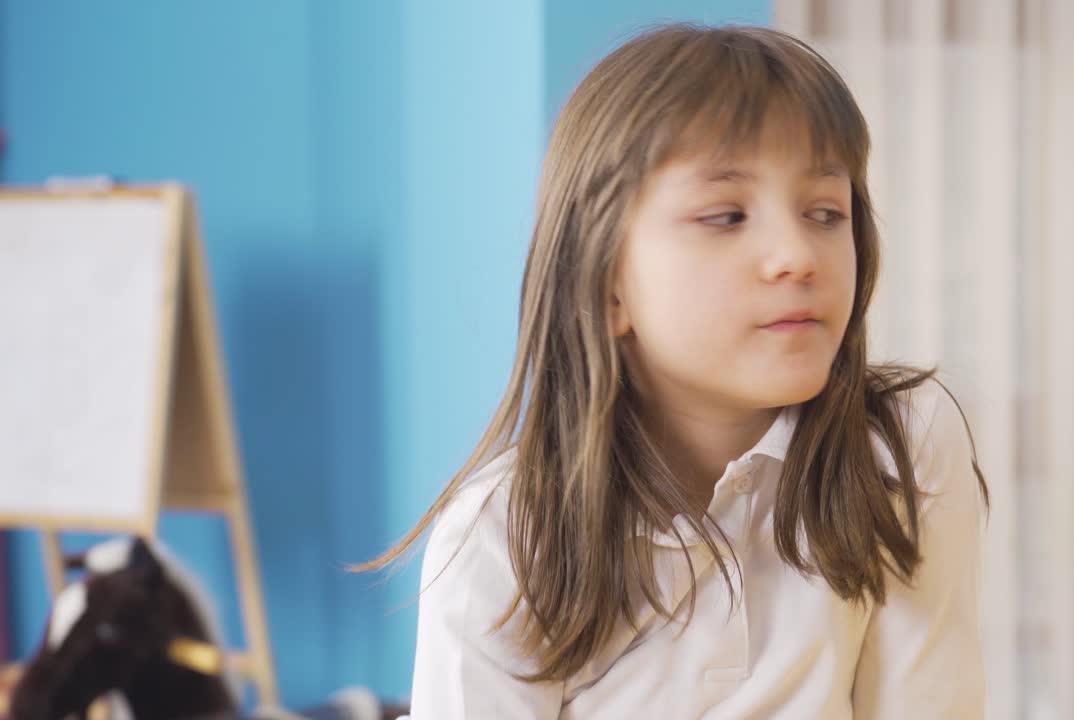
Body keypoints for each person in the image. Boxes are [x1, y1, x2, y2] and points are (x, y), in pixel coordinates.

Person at [362, 23, 990, 719]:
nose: (797, 255)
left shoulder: (902, 443)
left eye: (825, 212)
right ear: (606, 287)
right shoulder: (502, 535)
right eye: (726, 216)